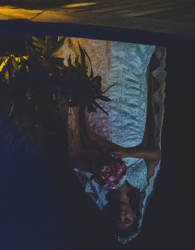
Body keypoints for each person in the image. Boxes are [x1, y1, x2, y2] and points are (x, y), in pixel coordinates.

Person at [64, 37, 166, 243]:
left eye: (118, 220)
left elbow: (76, 156)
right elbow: (156, 155)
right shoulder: (140, 184)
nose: (122, 216)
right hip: (132, 122)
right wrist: (127, 153)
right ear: (135, 216)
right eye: (127, 220)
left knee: (101, 78)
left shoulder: (99, 187)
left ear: (109, 218)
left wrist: (103, 156)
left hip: (101, 125)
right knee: (131, 77)